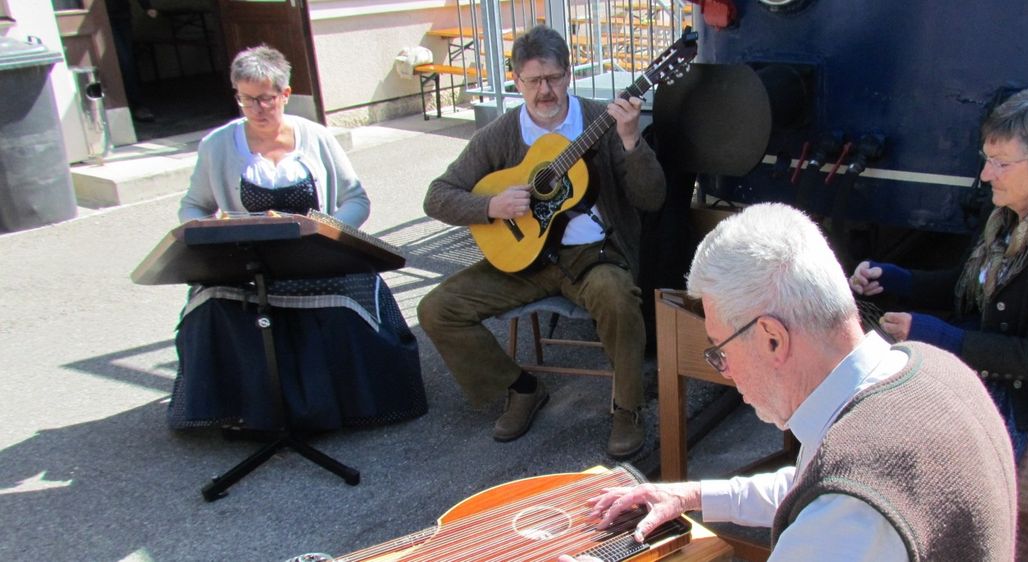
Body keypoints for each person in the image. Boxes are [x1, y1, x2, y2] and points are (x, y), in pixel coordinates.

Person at [568, 203, 1017, 561]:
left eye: (720, 350)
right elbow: (815, 483)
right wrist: (692, 494)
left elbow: (841, 499)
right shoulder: (931, 368)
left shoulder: (851, 514)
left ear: (771, 338)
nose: (723, 369)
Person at [850, 86, 1028, 560]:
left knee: (945, 486)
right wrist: (895, 278)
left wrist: (936, 335)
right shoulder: (1013, 211)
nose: (985, 174)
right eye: (987, 159)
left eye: (1000, 163)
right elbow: (972, 287)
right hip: (1002, 368)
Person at [416, 25, 664, 458]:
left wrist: (630, 140)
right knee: (437, 309)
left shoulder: (598, 121)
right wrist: (490, 207)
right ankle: (522, 388)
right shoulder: (501, 134)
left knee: (618, 297)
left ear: (569, 75)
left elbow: (652, 197)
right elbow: (437, 196)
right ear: (517, 82)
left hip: (593, 254)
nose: (544, 90)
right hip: (525, 259)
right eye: (533, 81)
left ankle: (627, 407)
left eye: (552, 78)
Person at [171, 45, 427, 432]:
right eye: (246, 99)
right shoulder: (217, 145)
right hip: (247, 260)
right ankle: (242, 410)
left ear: (285, 95)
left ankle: (350, 406)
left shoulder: (316, 137)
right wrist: (207, 231)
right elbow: (192, 206)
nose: (256, 108)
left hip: (315, 256)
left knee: (354, 292)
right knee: (206, 304)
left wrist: (328, 234)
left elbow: (356, 199)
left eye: (266, 99)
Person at [106, 0, 158, 122]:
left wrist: (147, 6)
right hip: (101, 17)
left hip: (120, 16)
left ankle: (136, 105)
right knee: (121, 60)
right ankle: (125, 106)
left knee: (127, 61)